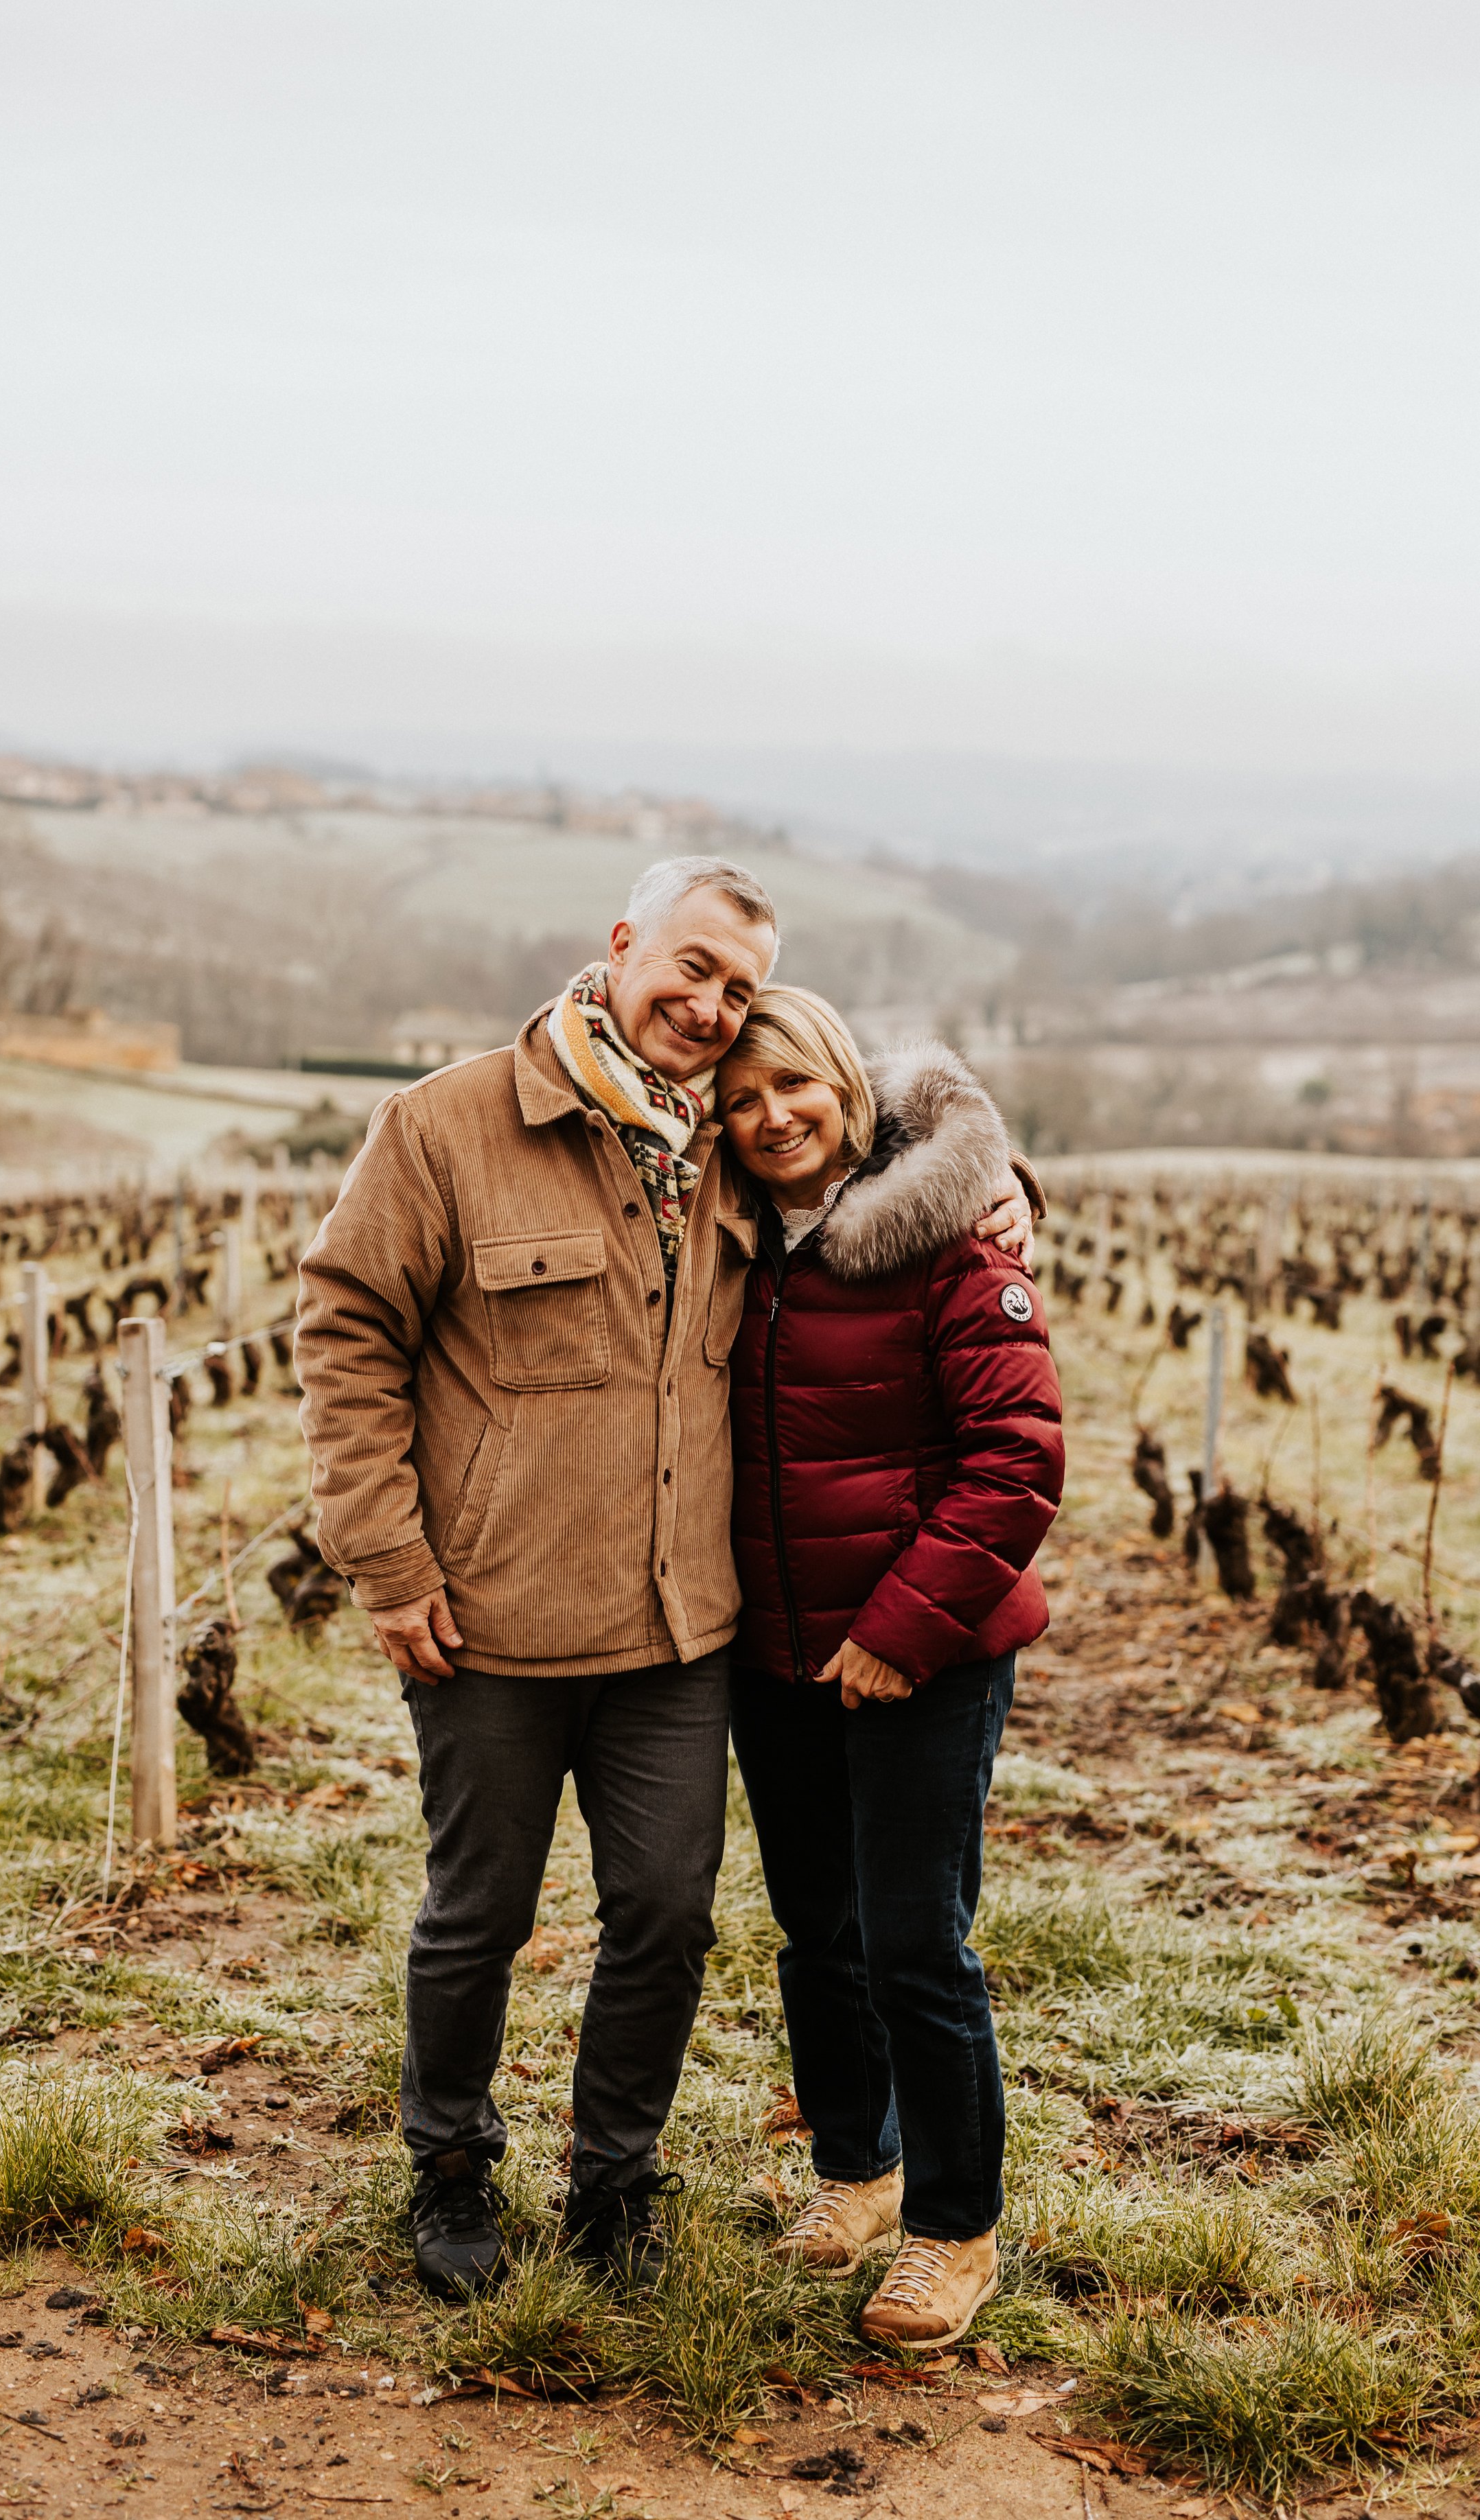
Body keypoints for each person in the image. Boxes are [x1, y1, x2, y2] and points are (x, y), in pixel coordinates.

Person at [295, 862, 1034, 2299]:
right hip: (492, 1623)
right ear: (621, 946)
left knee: (667, 1916)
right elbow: (346, 1332)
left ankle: (614, 2182)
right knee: (478, 1917)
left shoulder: (726, 1154)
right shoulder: (447, 1126)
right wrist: (386, 1561)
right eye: (688, 969)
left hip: (683, 1636)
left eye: (739, 989)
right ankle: (449, 2164)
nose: (709, 1009)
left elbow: (867, 1143)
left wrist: (996, 1182)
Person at [715, 985, 1063, 2351]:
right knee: (820, 1937)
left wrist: (899, 1634)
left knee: (918, 1944)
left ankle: (953, 2231)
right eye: (743, 1102)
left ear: (847, 1085)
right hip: (779, 1651)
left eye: (794, 1086)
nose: (774, 1117)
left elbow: (1015, 1462)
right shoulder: (739, 1245)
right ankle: (856, 2175)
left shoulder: (950, 1241)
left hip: (924, 1655)